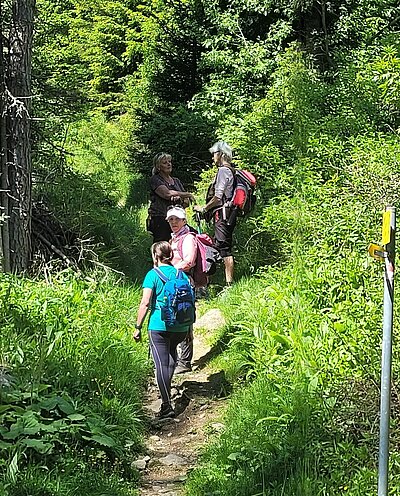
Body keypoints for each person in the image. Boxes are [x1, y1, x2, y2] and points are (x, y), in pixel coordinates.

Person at [133, 241, 191, 419]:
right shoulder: (181, 275)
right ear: (171, 256)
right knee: (171, 359)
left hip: (159, 326)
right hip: (180, 326)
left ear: (155, 256)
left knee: (161, 364)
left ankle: (166, 406)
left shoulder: (152, 275)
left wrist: (137, 327)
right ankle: (167, 390)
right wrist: (188, 329)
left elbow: (145, 303)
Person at [194, 141, 236, 285]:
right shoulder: (231, 170)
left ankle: (229, 285)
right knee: (220, 245)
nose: (213, 158)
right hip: (228, 213)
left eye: (214, 154)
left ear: (221, 154)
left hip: (223, 214)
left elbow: (218, 197)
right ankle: (216, 281)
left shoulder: (223, 171)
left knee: (224, 249)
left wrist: (204, 208)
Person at [166, 206, 197, 374]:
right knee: (173, 317)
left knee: (185, 319)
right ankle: (175, 359)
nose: (173, 222)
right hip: (175, 284)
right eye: (171, 219)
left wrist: (169, 273)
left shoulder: (187, 238)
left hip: (184, 284)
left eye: (177, 219)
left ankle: (185, 361)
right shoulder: (174, 239)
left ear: (184, 220)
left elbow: (189, 261)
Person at [148, 152, 194, 242]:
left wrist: (179, 198)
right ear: (158, 167)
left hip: (178, 220)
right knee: (163, 247)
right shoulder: (156, 179)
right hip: (161, 219)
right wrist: (187, 194)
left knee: (190, 238)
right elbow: (167, 194)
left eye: (169, 162)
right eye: (165, 163)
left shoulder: (176, 181)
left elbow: (186, 202)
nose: (169, 164)